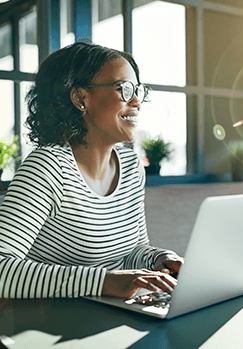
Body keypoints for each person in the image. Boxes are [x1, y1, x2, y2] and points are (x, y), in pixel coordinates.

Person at [0, 41, 183, 299]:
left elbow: (133, 251)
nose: (136, 103)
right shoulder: (47, 168)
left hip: (112, 316)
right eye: (124, 89)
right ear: (80, 98)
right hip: (50, 324)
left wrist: (160, 259)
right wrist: (103, 282)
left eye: (137, 91)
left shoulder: (131, 167)